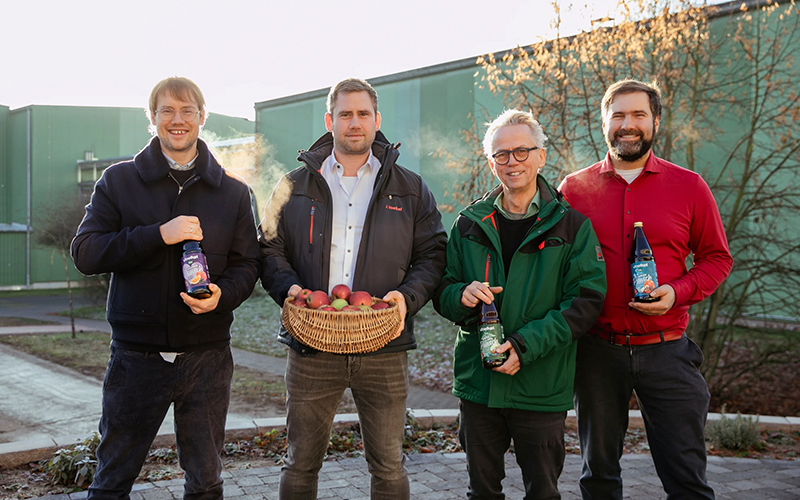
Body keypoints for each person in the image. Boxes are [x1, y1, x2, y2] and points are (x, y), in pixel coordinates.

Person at [71, 77, 261, 500]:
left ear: (202, 116)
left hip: (208, 357)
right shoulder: (118, 181)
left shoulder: (232, 192)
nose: (178, 120)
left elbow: (249, 263)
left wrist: (222, 296)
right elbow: (86, 252)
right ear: (152, 118)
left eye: (187, 110)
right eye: (167, 111)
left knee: (206, 481)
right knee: (113, 478)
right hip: (137, 357)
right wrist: (158, 234)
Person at [260, 78, 447, 500]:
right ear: (330, 121)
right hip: (311, 344)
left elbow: (434, 255)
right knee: (300, 462)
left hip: (384, 344)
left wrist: (407, 298)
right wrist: (289, 289)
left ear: (377, 120)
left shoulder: (411, 188)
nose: (355, 122)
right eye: (345, 114)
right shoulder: (292, 186)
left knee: (389, 465)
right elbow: (268, 247)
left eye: (363, 114)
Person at [559, 79, 733, 500]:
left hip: (668, 350)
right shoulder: (573, 190)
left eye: (638, 114)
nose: (628, 124)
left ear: (655, 121)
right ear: (604, 122)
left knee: (687, 478)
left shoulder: (689, 186)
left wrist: (678, 291)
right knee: (597, 477)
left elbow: (717, 258)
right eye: (618, 115)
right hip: (597, 353)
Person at [434, 109, 607, 499]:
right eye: (501, 154)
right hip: (480, 385)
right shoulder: (468, 223)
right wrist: (459, 296)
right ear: (490, 161)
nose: (512, 162)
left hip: (540, 385)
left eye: (521, 151)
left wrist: (525, 347)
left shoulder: (573, 227)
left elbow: (585, 301)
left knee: (543, 492)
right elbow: (442, 287)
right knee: (482, 491)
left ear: (541, 156)